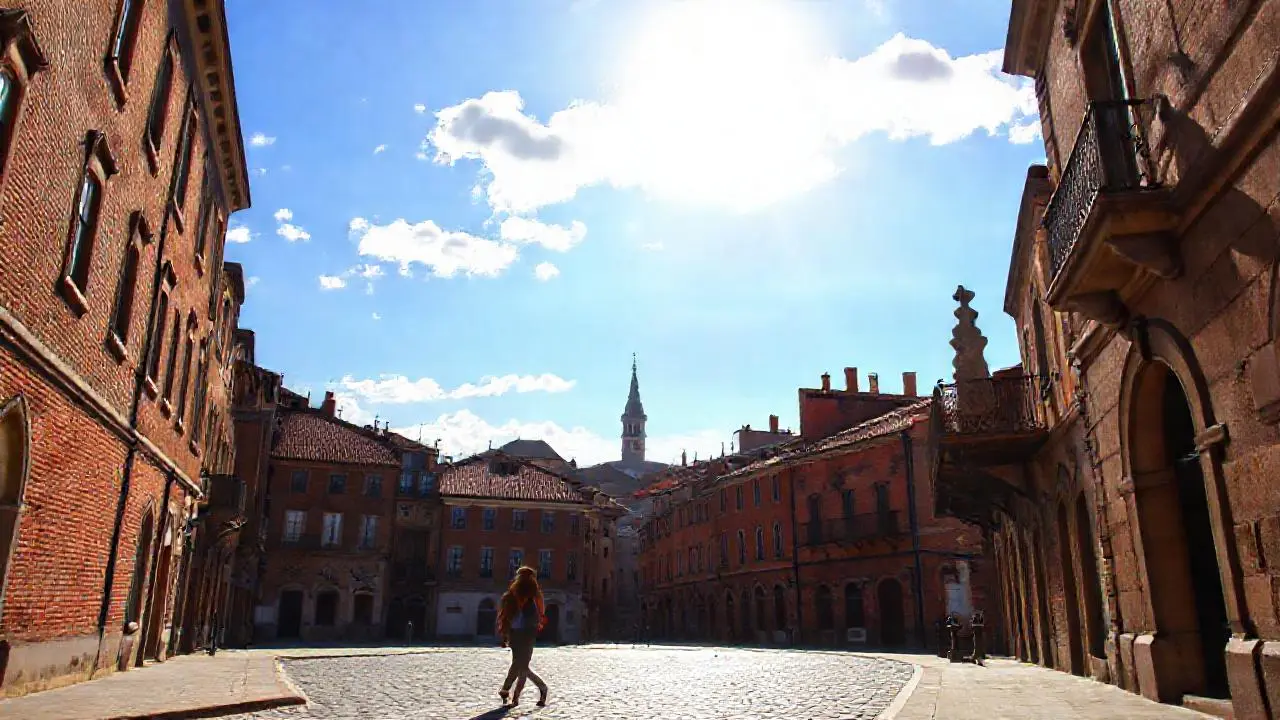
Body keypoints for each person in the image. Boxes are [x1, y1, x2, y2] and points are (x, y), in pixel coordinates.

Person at [496, 566, 549, 707]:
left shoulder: (530, 595)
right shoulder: (517, 594)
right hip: (520, 633)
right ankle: (538, 689)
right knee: (521, 665)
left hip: (523, 633)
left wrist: (504, 634)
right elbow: (506, 615)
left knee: (520, 665)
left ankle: (510, 692)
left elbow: (540, 613)